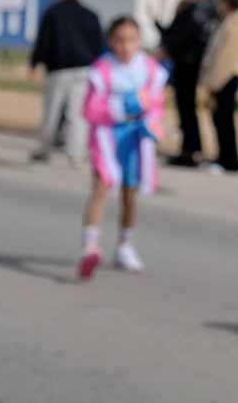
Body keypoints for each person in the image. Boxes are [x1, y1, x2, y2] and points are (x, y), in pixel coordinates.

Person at [78, 16, 167, 279]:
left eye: (131, 39)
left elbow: (156, 105)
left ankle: (125, 246)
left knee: (130, 194)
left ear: (139, 41)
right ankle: (90, 246)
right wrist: (122, 106)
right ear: (110, 42)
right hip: (107, 136)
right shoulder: (102, 69)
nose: (125, 46)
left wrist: (153, 124)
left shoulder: (150, 70)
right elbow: (90, 110)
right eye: (119, 40)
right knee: (101, 187)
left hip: (135, 137)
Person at [29, 0, 103, 163]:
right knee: (78, 113)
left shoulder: (53, 13)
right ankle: (76, 153)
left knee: (52, 110)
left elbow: (43, 42)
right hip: (84, 69)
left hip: (58, 69)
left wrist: (35, 63)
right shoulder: (90, 15)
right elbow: (98, 45)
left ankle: (44, 148)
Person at [154, 0, 218, 167]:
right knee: (186, 108)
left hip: (189, 64)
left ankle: (192, 150)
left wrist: (166, 44)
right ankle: (188, 149)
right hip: (188, 63)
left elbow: (178, 36)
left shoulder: (196, 10)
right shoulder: (205, 9)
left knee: (187, 108)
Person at [199, 0, 238, 174]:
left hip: (226, 77)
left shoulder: (236, 24)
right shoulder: (232, 21)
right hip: (225, 77)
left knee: (224, 120)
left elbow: (226, 57)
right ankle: (224, 157)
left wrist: (213, 83)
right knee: (221, 119)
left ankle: (229, 160)